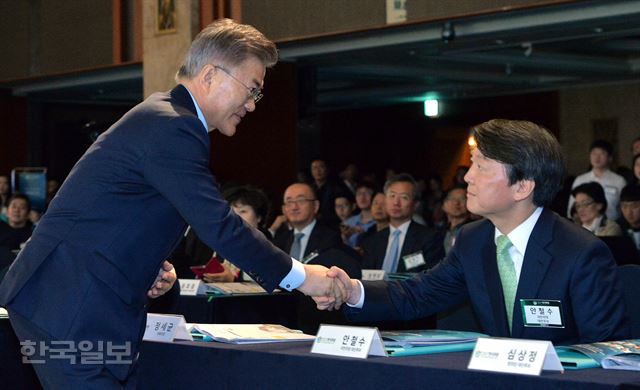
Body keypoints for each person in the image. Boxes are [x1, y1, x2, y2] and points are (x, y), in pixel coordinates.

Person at [0, 19, 342, 388]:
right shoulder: (173, 126)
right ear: (211, 74)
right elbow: (218, 223)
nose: (252, 105)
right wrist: (303, 277)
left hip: (73, 301)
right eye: (252, 89)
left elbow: (121, 215)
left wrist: (146, 266)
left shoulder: (165, 116)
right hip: (70, 305)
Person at [319, 119, 630, 345]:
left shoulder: (580, 252)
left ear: (522, 186)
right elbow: (417, 295)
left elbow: (606, 351)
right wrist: (352, 291)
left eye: (481, 167)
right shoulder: (473, 239)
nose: (467, 176)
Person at [360, 173, 444, 273]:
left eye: (404, 197)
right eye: (392, 196)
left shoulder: (430, 238)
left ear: (416, 204)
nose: (396, 203)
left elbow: (433, 276)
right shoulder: (373, 241)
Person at [568, 140, 626, 221]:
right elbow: (571, 209)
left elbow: (624, 207)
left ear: (610, 158)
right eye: (594, 153)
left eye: (602, 153)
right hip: (584, 228)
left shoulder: (619, 181)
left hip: (612, 226)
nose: (597, 157)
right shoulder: (580, 180)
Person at [440, 186, 472, 254]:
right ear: (443, 205)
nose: (456, 203)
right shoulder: (439, 231)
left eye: (462, 199)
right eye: (452, 199)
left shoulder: (475, 229)